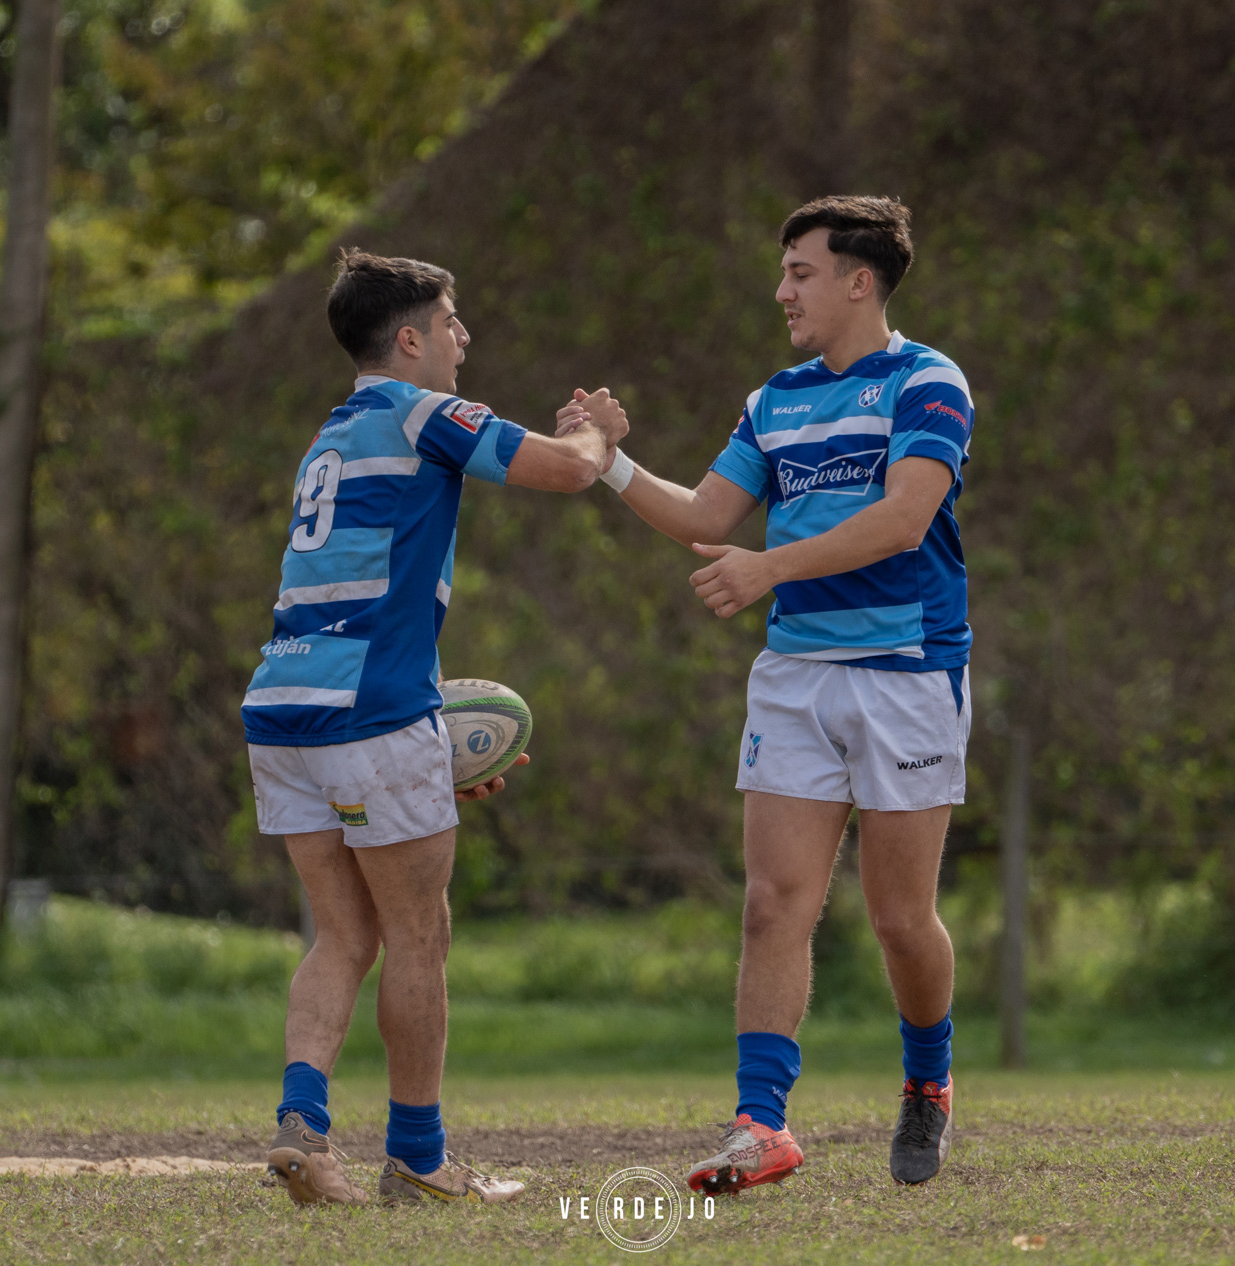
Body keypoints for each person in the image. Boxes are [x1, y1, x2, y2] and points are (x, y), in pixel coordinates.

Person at [570, 196, 973, 1189]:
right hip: (795, 675)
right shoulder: (776, 399)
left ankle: (928, 1082)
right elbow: (707, 513)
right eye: (784, 271)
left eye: (800, 271)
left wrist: (770, 567)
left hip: (908, 676)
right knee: (770, 906)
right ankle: (761, 1126)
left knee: (899, 919)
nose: (782, 289)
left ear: (859, 281)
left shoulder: (928, 383)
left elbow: (904, 520)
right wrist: (608, 460)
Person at [244, 250, 627, 1205]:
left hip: (282, 706)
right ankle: (418, 1160)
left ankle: (304, 1123)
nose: (465, 338)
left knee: (343, 934)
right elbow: (562, 472)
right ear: (408, 339)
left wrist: (433, 751)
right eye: (452, 322)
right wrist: (596, 434)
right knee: (419, 936)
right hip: (374, 707)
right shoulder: (425, 412)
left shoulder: (331, 435)